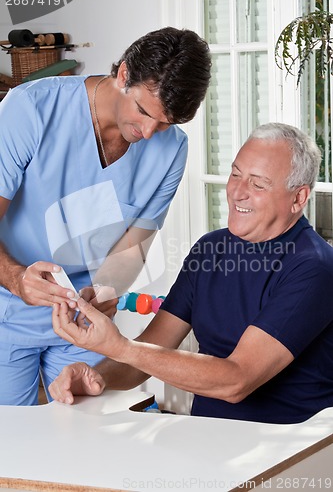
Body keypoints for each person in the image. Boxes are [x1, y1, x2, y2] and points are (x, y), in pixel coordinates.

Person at [50, 122, 333, 424]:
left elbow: (236, 381)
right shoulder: (210, 250)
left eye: (258, 184)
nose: (237, 192)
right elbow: (147, 353)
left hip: (288, 454)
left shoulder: (315, 268)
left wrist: (119, 346)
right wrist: (95, 377)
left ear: (298, 198)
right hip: (204, 440)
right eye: (235, 174)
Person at [0, 27, 211, 406]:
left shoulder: (172, 151)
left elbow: (133, 245)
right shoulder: (28, 110)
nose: (148, 133)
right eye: (144, 112)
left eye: (165, 123)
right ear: (124, 74)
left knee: (84, 439)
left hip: (82, 320)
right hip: (6, 309)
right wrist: (16, 279)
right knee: (10, 444)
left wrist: (106, 292)